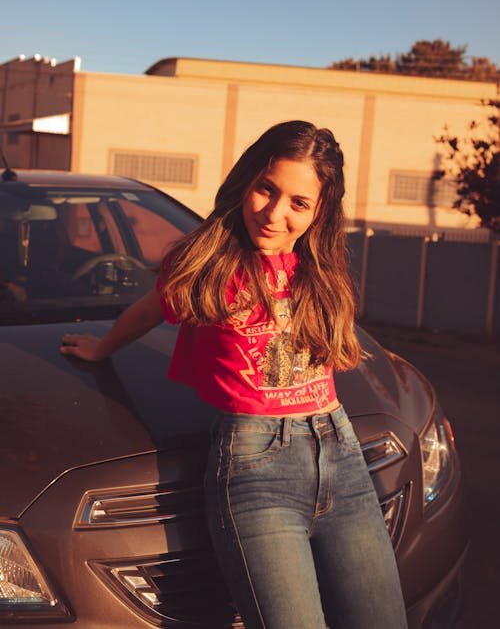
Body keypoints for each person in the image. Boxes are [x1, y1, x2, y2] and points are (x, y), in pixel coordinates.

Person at [60, 120, 408, 629]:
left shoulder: (322, 272)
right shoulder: (209, 263)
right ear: (247, 180)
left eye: (298, 202)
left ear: (319, 213)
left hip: (343, 454)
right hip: (255, 471)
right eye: (267, 188)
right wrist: (101, 347)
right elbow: (150, 309)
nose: (274, 213)